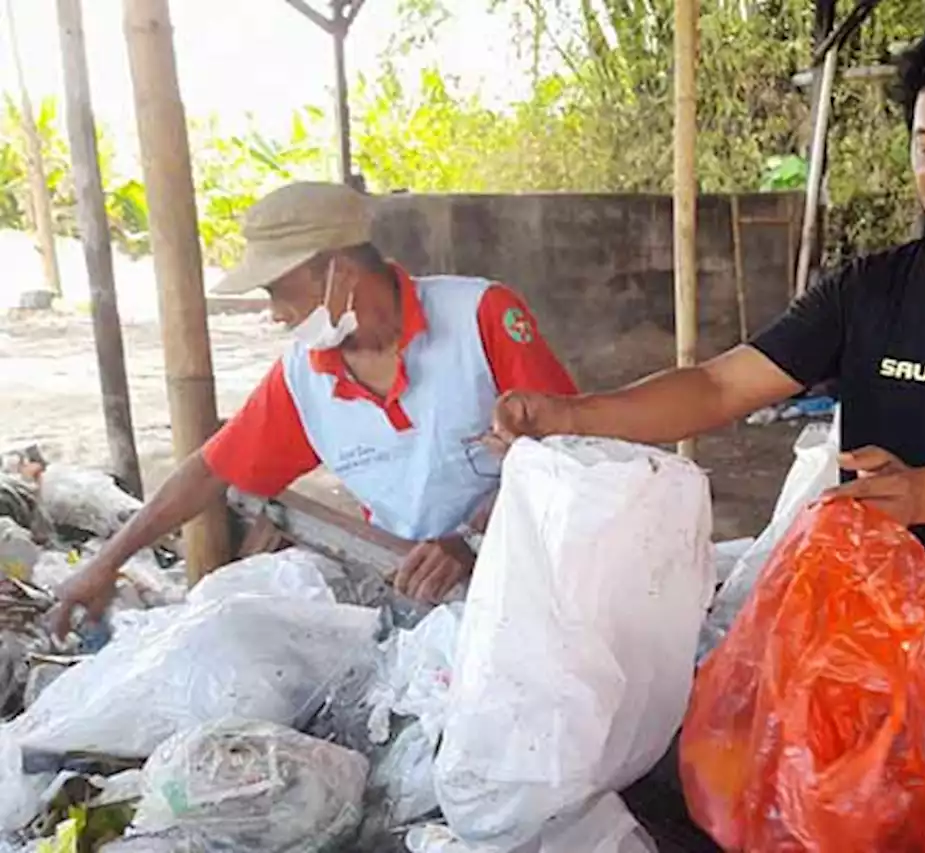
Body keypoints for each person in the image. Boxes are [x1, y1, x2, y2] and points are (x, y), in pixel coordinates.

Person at [492, 5, 925, 611]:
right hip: (878, 622)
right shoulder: (869, 288)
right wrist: (574, 415)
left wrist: (921, 496)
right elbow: (723, 383)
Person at [53, 181, 576, 633]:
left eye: (280, 290)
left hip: (533, 579)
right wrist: (107, 563)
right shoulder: (305, 376)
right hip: (420, 593)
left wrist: (470, 539)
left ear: (340, 270)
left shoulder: (481, 316)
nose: (276, 313)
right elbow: (209, 472)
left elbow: (573, 453)